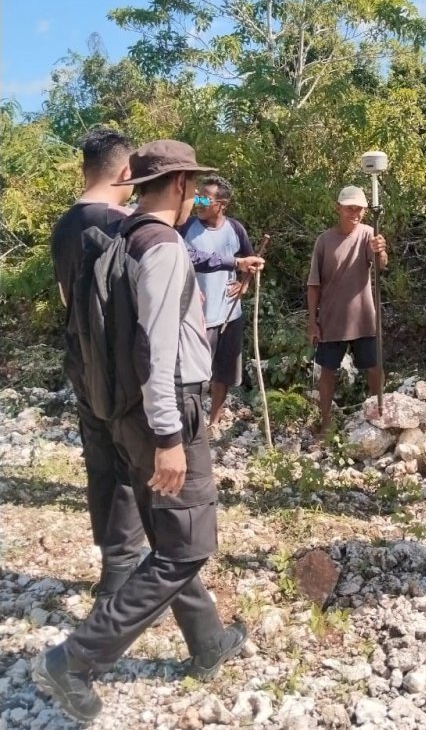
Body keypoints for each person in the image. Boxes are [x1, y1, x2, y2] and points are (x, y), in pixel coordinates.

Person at [34, 141, 246, 723]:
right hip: (167, 411)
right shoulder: (163, 245)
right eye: (193, 185)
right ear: (178, 185)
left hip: (124, 412)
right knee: (188, 547)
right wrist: (170, 437)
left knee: (169, 535)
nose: (197, 195)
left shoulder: (117, 238)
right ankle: (76, 661)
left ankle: (208, 643)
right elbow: (156, 349)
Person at [51, 127, 146, 600]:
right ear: (126, 171)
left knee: (99, 460)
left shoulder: (64, 224)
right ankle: (121, 574)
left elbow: (67, 295)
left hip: (78, 354)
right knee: (129, 460)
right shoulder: (121, 224)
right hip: (117, 361)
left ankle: (112, 556)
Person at [180, 176, 263, 431]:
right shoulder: (186, 227)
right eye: (198, 197)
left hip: (229, 313)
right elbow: (185, 260)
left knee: (223, 372)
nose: (198, 202)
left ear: (222, 204)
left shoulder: (235, 230)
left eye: (205, 198)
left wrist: (244, 284)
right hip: (196, 317)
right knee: (193, 375)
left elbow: (251, 260)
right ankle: (188, 422)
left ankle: (213, 421)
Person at [307, 186, 387, 433]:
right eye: (349, 208)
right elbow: (313, 284)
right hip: (332, 318)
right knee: (328, 371)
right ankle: (327, 424)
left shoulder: (369, 234)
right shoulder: (324, 240)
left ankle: (378, 416)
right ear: (338, 208)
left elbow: (381, 265)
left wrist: (381, 250)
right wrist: (313, 320)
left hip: (363, 317)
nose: (355, 212)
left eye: (359, 208)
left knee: (374, 368)